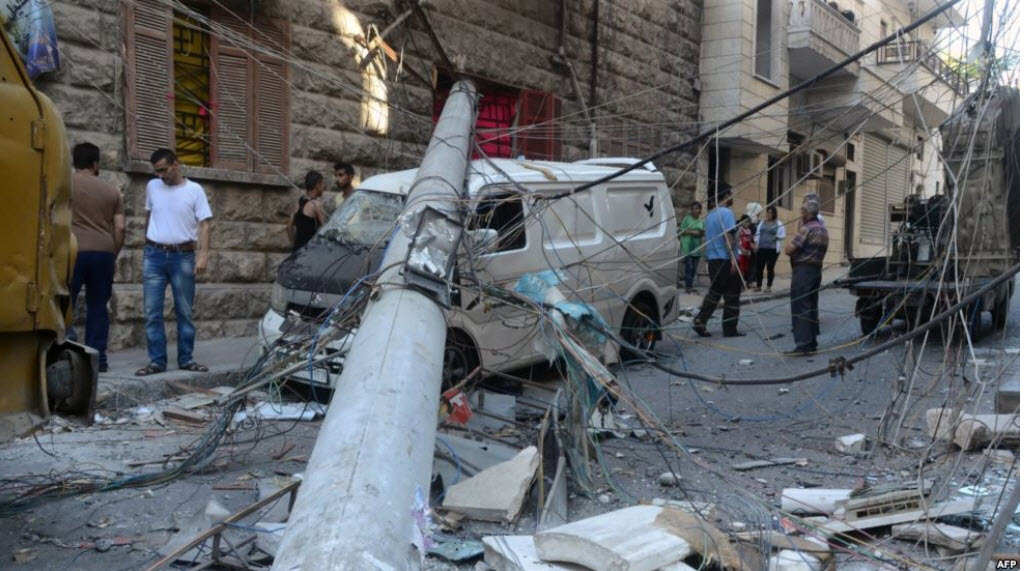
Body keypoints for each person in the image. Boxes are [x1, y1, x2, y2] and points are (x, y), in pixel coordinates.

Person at [136, 149, 213, 376]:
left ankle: (186, 359)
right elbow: (149, 215)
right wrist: (147, 242)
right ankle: (157, 361)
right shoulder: (152, 186)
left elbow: (205, 225)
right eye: (156, 171)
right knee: (151, 311)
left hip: (183, 256)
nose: (160, 175)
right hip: (154, 255)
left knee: (184, 311)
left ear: (176, 165)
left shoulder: (194, 190)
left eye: (163, 170)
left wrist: (203, 255)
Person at [69, 142, 125, 372]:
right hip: (103, 252)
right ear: (95, 164)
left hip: (72, 250)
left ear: (74, 162)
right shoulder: (112, 191)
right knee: (98, 307)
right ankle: (97, 360)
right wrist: (113, 253)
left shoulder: (64, 185)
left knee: (64, 304)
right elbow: (120, 228)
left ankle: (67, 354)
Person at [693, 184, 744, 338]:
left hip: (713, 260)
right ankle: (730, 329)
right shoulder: (727, 213)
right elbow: (728, 236)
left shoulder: (710, 215)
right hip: (726, 259)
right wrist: (733, 259)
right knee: (732, 296)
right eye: (730, 194)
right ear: (725, 195)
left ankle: (701, 320)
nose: (732, 196)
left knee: (715, 292)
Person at [784, 198, 828, 355]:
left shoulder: (807, 228)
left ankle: (803, 344)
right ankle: (811, 343)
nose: (801, 214)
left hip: (803, 271)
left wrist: (789, 243)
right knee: (810, 306)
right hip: (816, 271)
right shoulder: (823, 229)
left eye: (802, 211)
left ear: (808, 213)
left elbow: (789, 250)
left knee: (800, 306)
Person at [288, 170, 327, 251]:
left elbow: (289, 226)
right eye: (322, 184)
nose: (323, 187)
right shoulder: (316, 205)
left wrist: (293, 244)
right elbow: (325, 228)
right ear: (317, 185)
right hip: (310, 251)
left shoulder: (298, 202)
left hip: (297, 250)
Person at [752, 205, 785, 293]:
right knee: (759, 267)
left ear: (774, 214)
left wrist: (777, 237)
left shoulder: (779, 223)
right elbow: (757, 234)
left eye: (770, 213)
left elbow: (783, 235)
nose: (768, 214)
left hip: (773, 249)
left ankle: (769, 286)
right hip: (761, 248)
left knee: (770, 268)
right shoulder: (762, 222)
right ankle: (758, 286)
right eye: (767, 212)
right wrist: (755, 244)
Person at [677, 201, 704, 293]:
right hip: (687, 248)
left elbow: (702, 232)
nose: (694, 210)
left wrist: (699, 233)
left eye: (697, 208)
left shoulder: (701, 220)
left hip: (697, 249)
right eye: (693, 209)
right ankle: (688, 286)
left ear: (700, 210)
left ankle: (690, 285)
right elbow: (680, 231)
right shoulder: (687, 218)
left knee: (694, 269)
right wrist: (693, 232)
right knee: (689, 267)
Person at [737, 215, 754, 282]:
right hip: (740, 252)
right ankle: (740, 282)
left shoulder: (749, 231)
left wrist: (752, 246)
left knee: (745, 268)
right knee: (740, 268)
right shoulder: (739, 230)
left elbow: (750, 241)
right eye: (745, 222)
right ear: (741, 222)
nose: (747, 224)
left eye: (748, 222)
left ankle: (743, 281)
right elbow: (737, 241)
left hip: (747, 252)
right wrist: (741, 249)